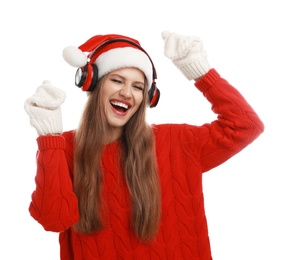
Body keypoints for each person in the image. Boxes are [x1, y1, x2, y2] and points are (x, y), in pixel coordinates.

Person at [24, 31, 264, 260]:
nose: (127, 92)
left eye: (138, 87)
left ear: (148, 96)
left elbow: (245, 125)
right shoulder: (62, 147)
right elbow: (54, 220)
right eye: (117, 80)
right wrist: (48, 137)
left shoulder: (177, 142)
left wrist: (201, 72)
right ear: (93, 85)